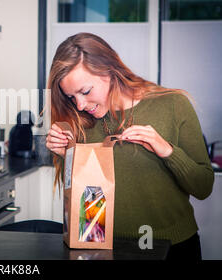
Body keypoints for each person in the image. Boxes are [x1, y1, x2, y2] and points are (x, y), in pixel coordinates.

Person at [45, 32, 214, 260]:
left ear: (110, 70)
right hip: (102, 247)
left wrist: (167, 151)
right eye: (72, 97)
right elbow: (89, 200)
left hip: (172, 246)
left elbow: (203, 187)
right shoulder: (80, 121)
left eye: (85, 91)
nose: (81, 104)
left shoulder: (173, 105)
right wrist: (67, 157)